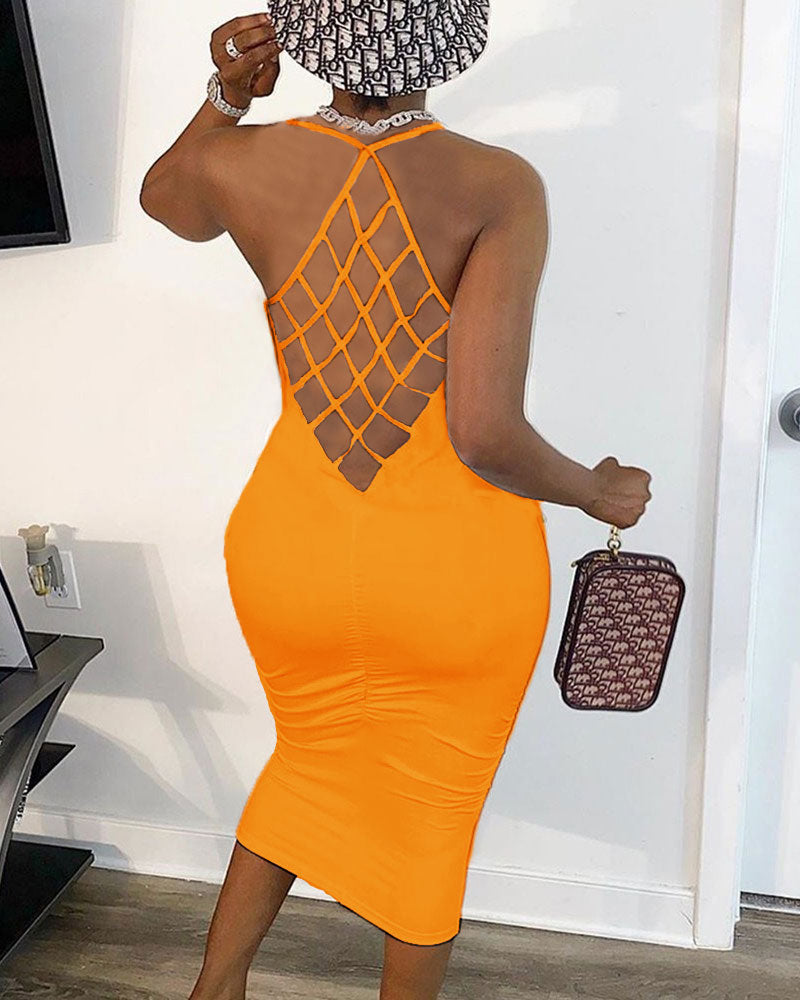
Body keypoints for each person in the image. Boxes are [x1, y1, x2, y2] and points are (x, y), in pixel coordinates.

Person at [140, 4, 652, 998]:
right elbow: (483, 433)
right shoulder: (498, 185)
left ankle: (216, 988)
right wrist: (597, 490)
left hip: (290, 549)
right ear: (450, 36)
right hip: (450, 571)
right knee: (429, 814)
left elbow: (169, 204)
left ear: (308, 31)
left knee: (306, 759)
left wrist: (225, 99)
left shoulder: (239, 163)